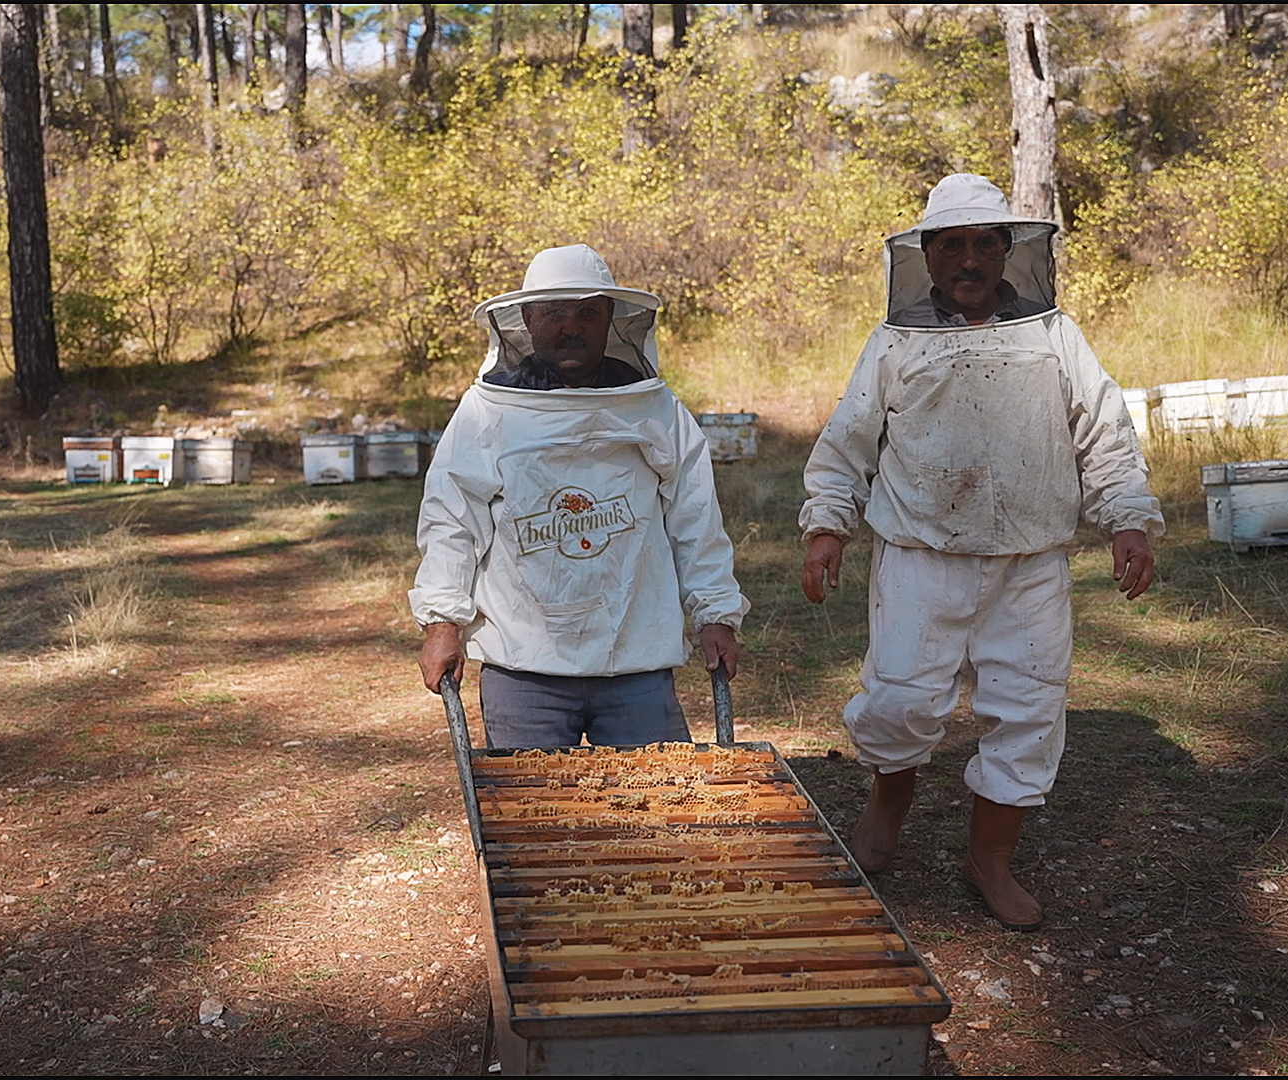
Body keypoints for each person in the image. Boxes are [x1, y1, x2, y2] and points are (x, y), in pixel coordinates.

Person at [796, 174, 1164, 931]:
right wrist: (827, 526)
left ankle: (988, 857)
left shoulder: (1054, 335)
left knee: (1028, 712)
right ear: (926, 256)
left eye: (984, 245)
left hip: (1030, 561)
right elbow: (847, 442)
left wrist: (1127, 519)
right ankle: (886, 803)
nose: (969, 260)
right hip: (920, 554)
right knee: (900, 699)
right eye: (952, 246)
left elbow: (1104, 430)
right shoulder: (894, 341)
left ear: (1007, 252)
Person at [409, 244, 749, 748]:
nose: (571, 327)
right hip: (522, 665)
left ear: (611, 317)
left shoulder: (653, 409)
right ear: (526, 318)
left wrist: (716, 614)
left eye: (588, 312)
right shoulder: (488, 411)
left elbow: (695, 519)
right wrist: (442, 622)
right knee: (533, 816)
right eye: (554, 314)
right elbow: (452, 521)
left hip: (636, 660)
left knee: (654, 812)